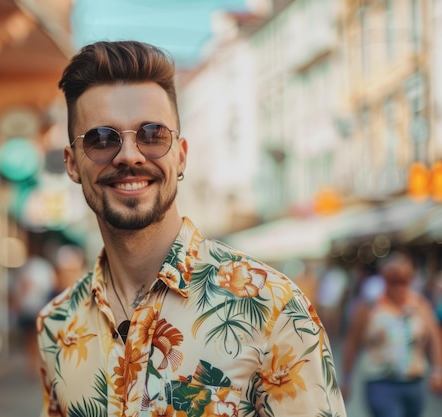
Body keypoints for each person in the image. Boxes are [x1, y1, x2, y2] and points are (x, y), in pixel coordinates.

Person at [37, 40, 346, 417]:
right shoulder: (56, 325)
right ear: (71, 163)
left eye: (152, 135)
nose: (130, 155)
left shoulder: (273, 309)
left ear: (181, 155)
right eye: (102, 139)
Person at [341, 251, 442, 417]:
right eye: (393, 281)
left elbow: (435, 337)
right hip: (380, 383)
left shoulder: (419, 305)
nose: (398, 287)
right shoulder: (369, 306)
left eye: (402, 281)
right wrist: (346, 378)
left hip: (414, 383)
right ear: (384, 280)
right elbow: (352, 342)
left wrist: (438, 370)